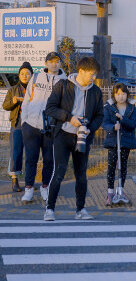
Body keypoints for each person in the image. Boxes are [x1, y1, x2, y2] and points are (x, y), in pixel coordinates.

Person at [43, 56, 104, 221]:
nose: (94, 78)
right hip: (62, 134)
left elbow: (99, 115)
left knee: (81, 174)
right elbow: (50, 108)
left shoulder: (96, 91)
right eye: (92, 74)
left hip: (83, 137)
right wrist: (69, 118)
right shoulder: (63, 85)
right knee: (59, 172)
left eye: (95, 75)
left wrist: (90, 129)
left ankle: (81, 210)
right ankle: (49, 209)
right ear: (82, 71)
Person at [20, 52, 66, 203]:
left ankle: (45, 187)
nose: (54, 64)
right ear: (46, 63)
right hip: (31, 125)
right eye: (51, 61)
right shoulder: (36, 77)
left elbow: (65, 105)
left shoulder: (64, 81)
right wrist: (24, 120)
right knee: (31, 159)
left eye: (57, 61)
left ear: (60, 63)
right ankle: (28, 189)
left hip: (51, 127)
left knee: (49, 160)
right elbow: (27, 98)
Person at [102, 83, 136, 205]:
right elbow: (105, 123)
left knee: (123, 167)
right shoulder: (109, 107)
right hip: (113, 141)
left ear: (127, 95)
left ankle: (121, 190)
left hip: (126, 142)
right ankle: (110, 192)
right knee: (112, 166)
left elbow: (134, 124)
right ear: (114, 95)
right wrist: (113, 127)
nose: (121, 96)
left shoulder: (132, 107)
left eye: (123, 94)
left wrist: (123, 119)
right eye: (118, 94)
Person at [3, 61, 33, 192]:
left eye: (27, 73)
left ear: (32, 75)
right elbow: (5, 106)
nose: (25, 76)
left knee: (32, 153)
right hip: (17, 123)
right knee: (16, 152)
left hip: (33, 123)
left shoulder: (36, 89)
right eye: (22, 73)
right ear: (19, 75)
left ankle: (29, 182)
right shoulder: (13, 89)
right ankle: (15, 181)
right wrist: (14, 101)